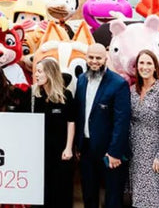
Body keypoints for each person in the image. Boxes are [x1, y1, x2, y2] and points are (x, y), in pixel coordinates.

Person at [75, 43, 131, 208]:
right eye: (91, 57)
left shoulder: (119, 83)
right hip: (85, 149)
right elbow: (80, 113)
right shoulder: (81, 80)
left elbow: (122, 121)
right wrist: (78, 145)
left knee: (112, 198)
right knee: (89, 195)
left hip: (109, 152)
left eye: (98, 58)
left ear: (105, 59)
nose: (94, 61)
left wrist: (114, 152)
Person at [129, 50, 159, 208]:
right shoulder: (132, 91)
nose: (145, 67)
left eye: (149, 63)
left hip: (154, 152)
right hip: (136, 151)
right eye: (141, 63)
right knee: (139, 195)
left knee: (153, 195)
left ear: (155, 67)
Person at [29, 58, 75, 208]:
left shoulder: (65, 95)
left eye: (40, 71)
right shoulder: (35, 96)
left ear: (50, 73)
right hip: (40, 152)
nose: (36, 74)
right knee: (43, 190)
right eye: (36, 71)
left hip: (61, 151)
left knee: (61, 190)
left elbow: (71, 122)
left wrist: (68, 147)